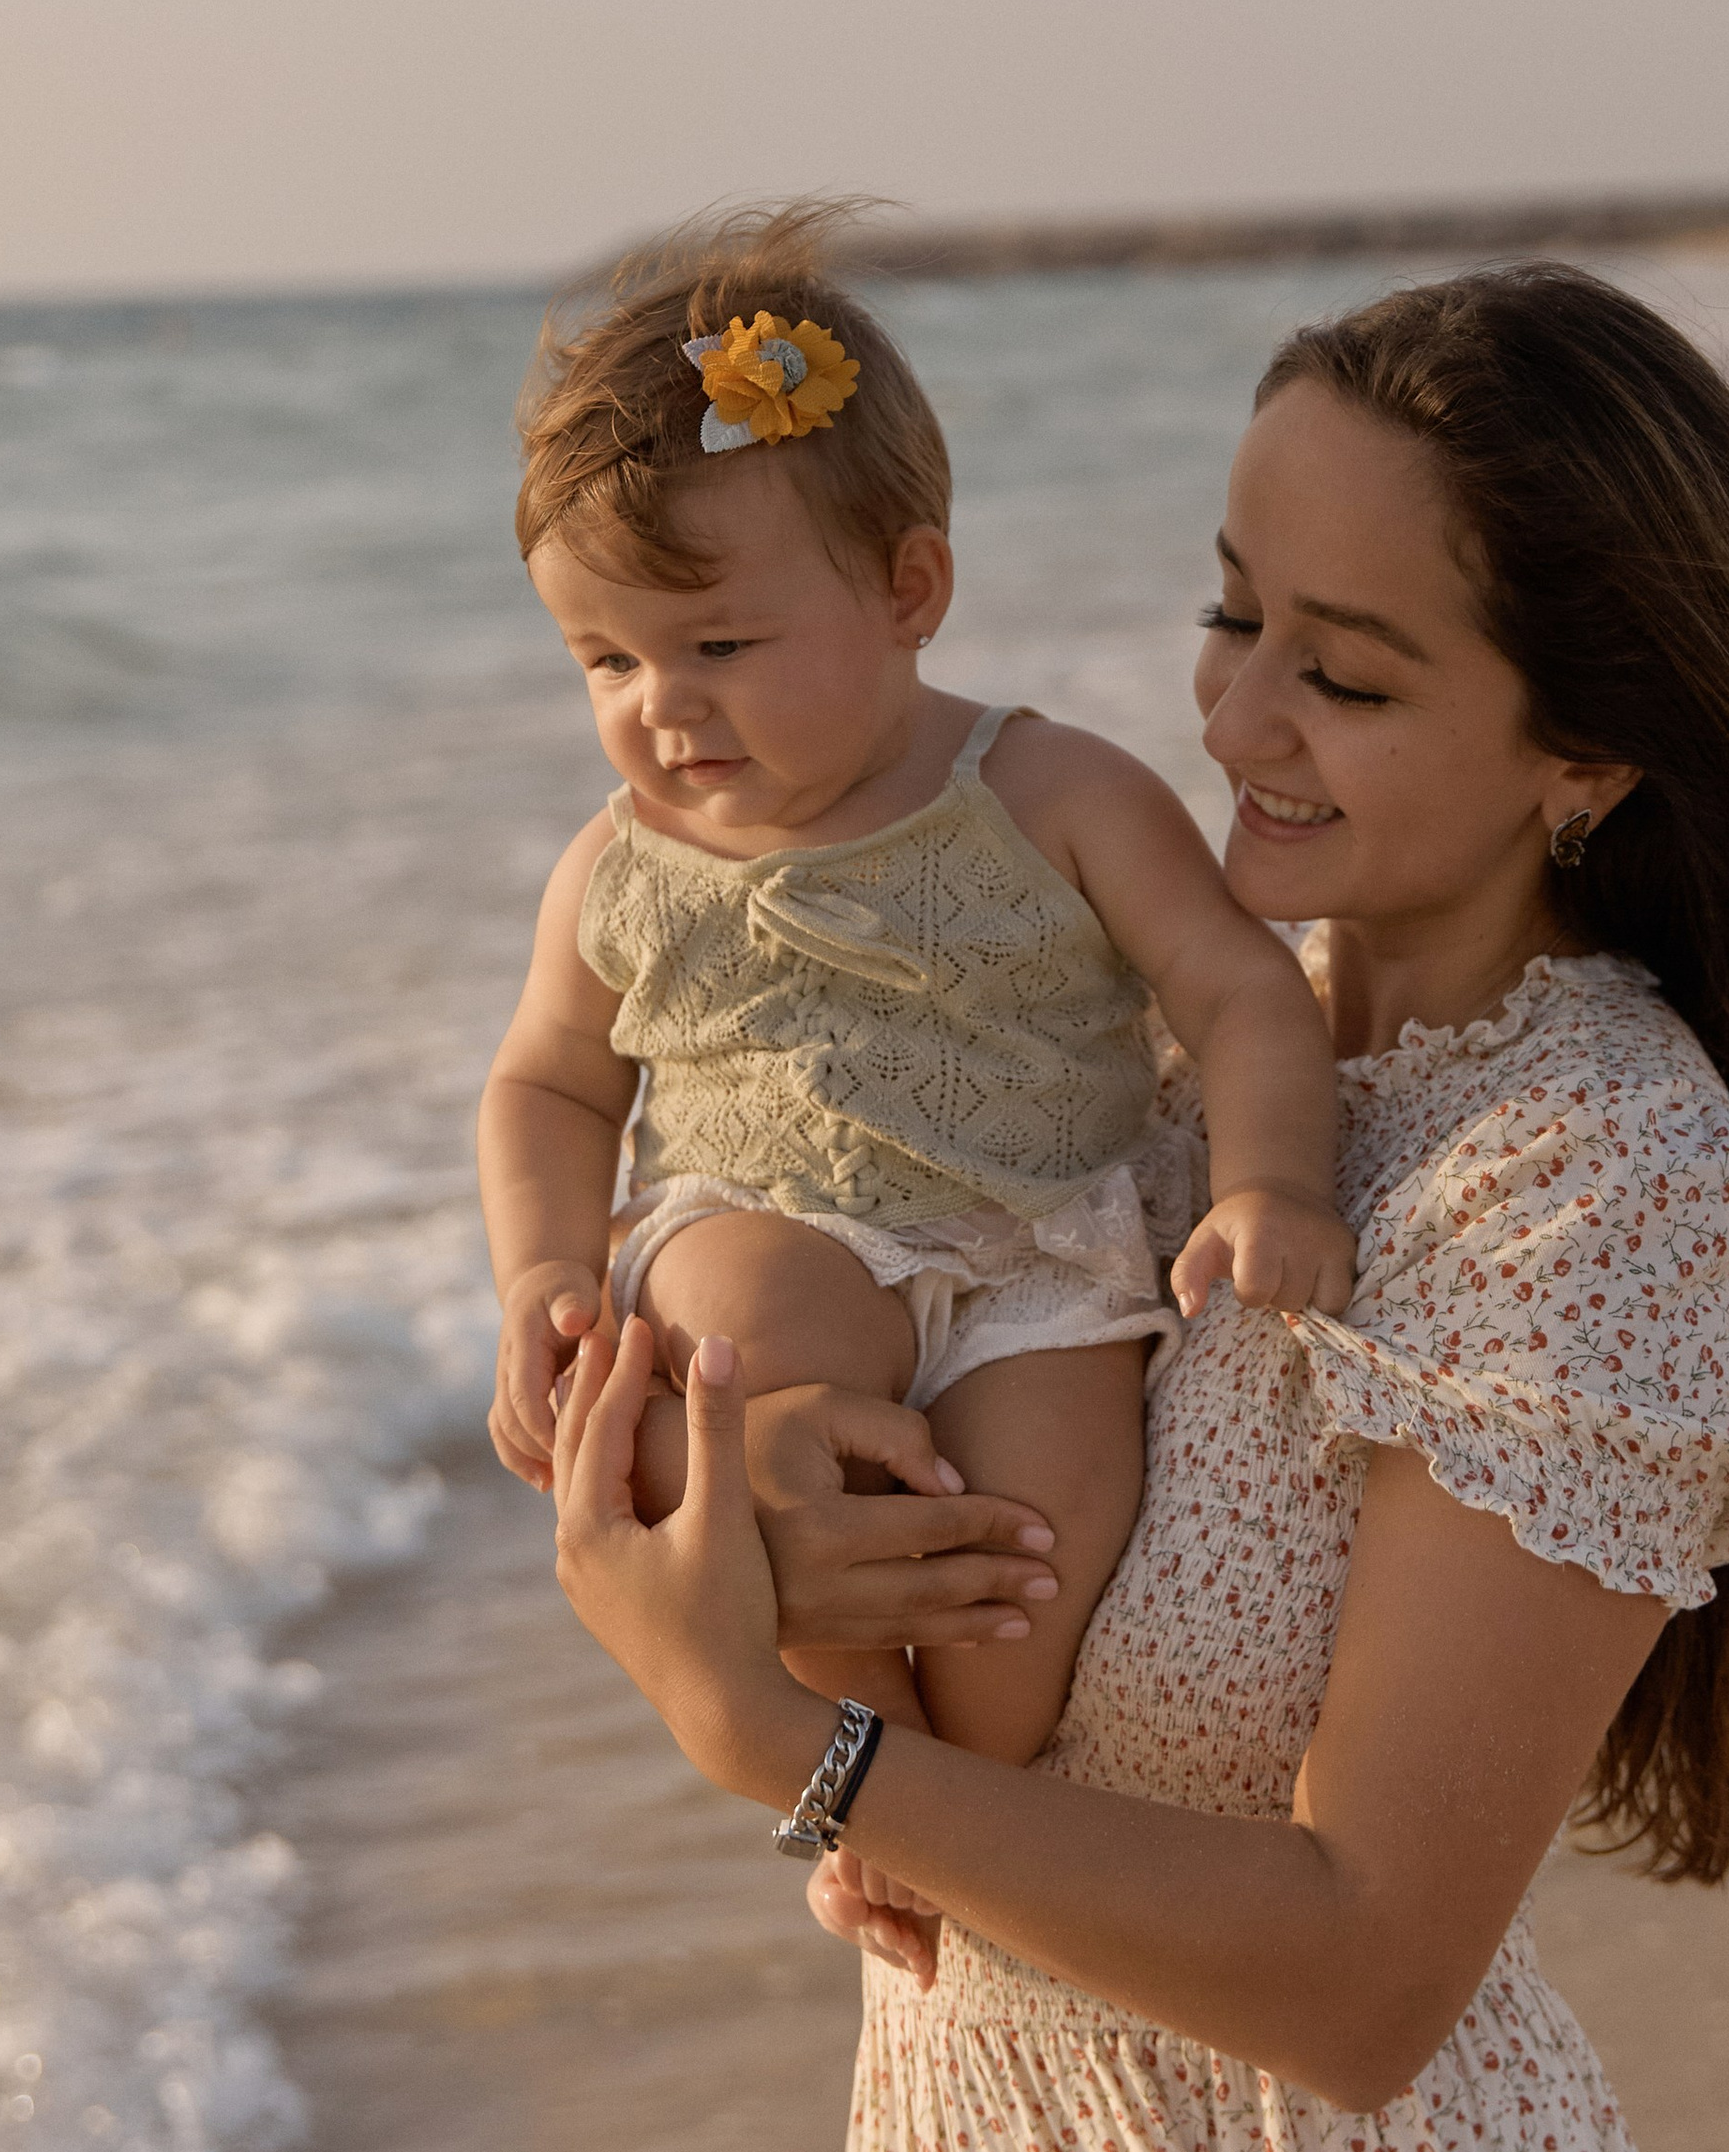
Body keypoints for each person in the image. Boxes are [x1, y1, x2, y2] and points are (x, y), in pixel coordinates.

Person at [530, 260, 1729, 2152]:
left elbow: (1360, 1973)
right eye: (1229, 616)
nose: (1233, 714)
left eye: (1346, 667)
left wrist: (784, 1755)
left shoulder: (1588, 1178)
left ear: (1586, 757)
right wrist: (784, 1534)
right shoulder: (1173, 1051)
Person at [480, 206, 1352, 1763]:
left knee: (1023, 1563)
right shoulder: (619, 868)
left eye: (721, 643)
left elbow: (1238, 989)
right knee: (766, 1335)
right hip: (757, 1222)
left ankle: (972, 1793)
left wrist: (1271, 1182)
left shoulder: (1049, 790)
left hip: (1035, 1250)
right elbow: (550, 1079)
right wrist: (543, 1274)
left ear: (909, 588)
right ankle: (848, 1752)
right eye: (604, 661)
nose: (660, 706)